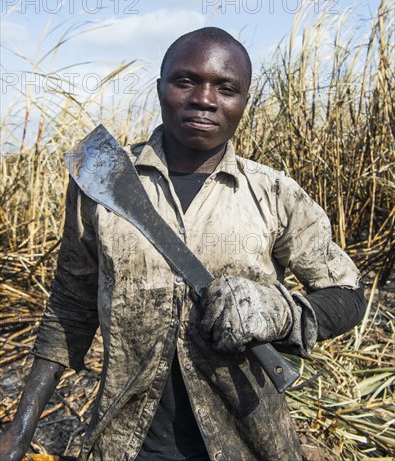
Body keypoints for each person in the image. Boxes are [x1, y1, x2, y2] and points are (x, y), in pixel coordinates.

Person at [0, 27, 366, 461]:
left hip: (249, 440)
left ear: (244, 101)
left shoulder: (275, 194)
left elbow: (348, 295)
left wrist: (280, 313)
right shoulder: (102, 178)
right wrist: (18, 432)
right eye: (186, 81)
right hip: (127, 444)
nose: (205, 99)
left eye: (226, 88)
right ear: (160, 88)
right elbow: (70, 306)